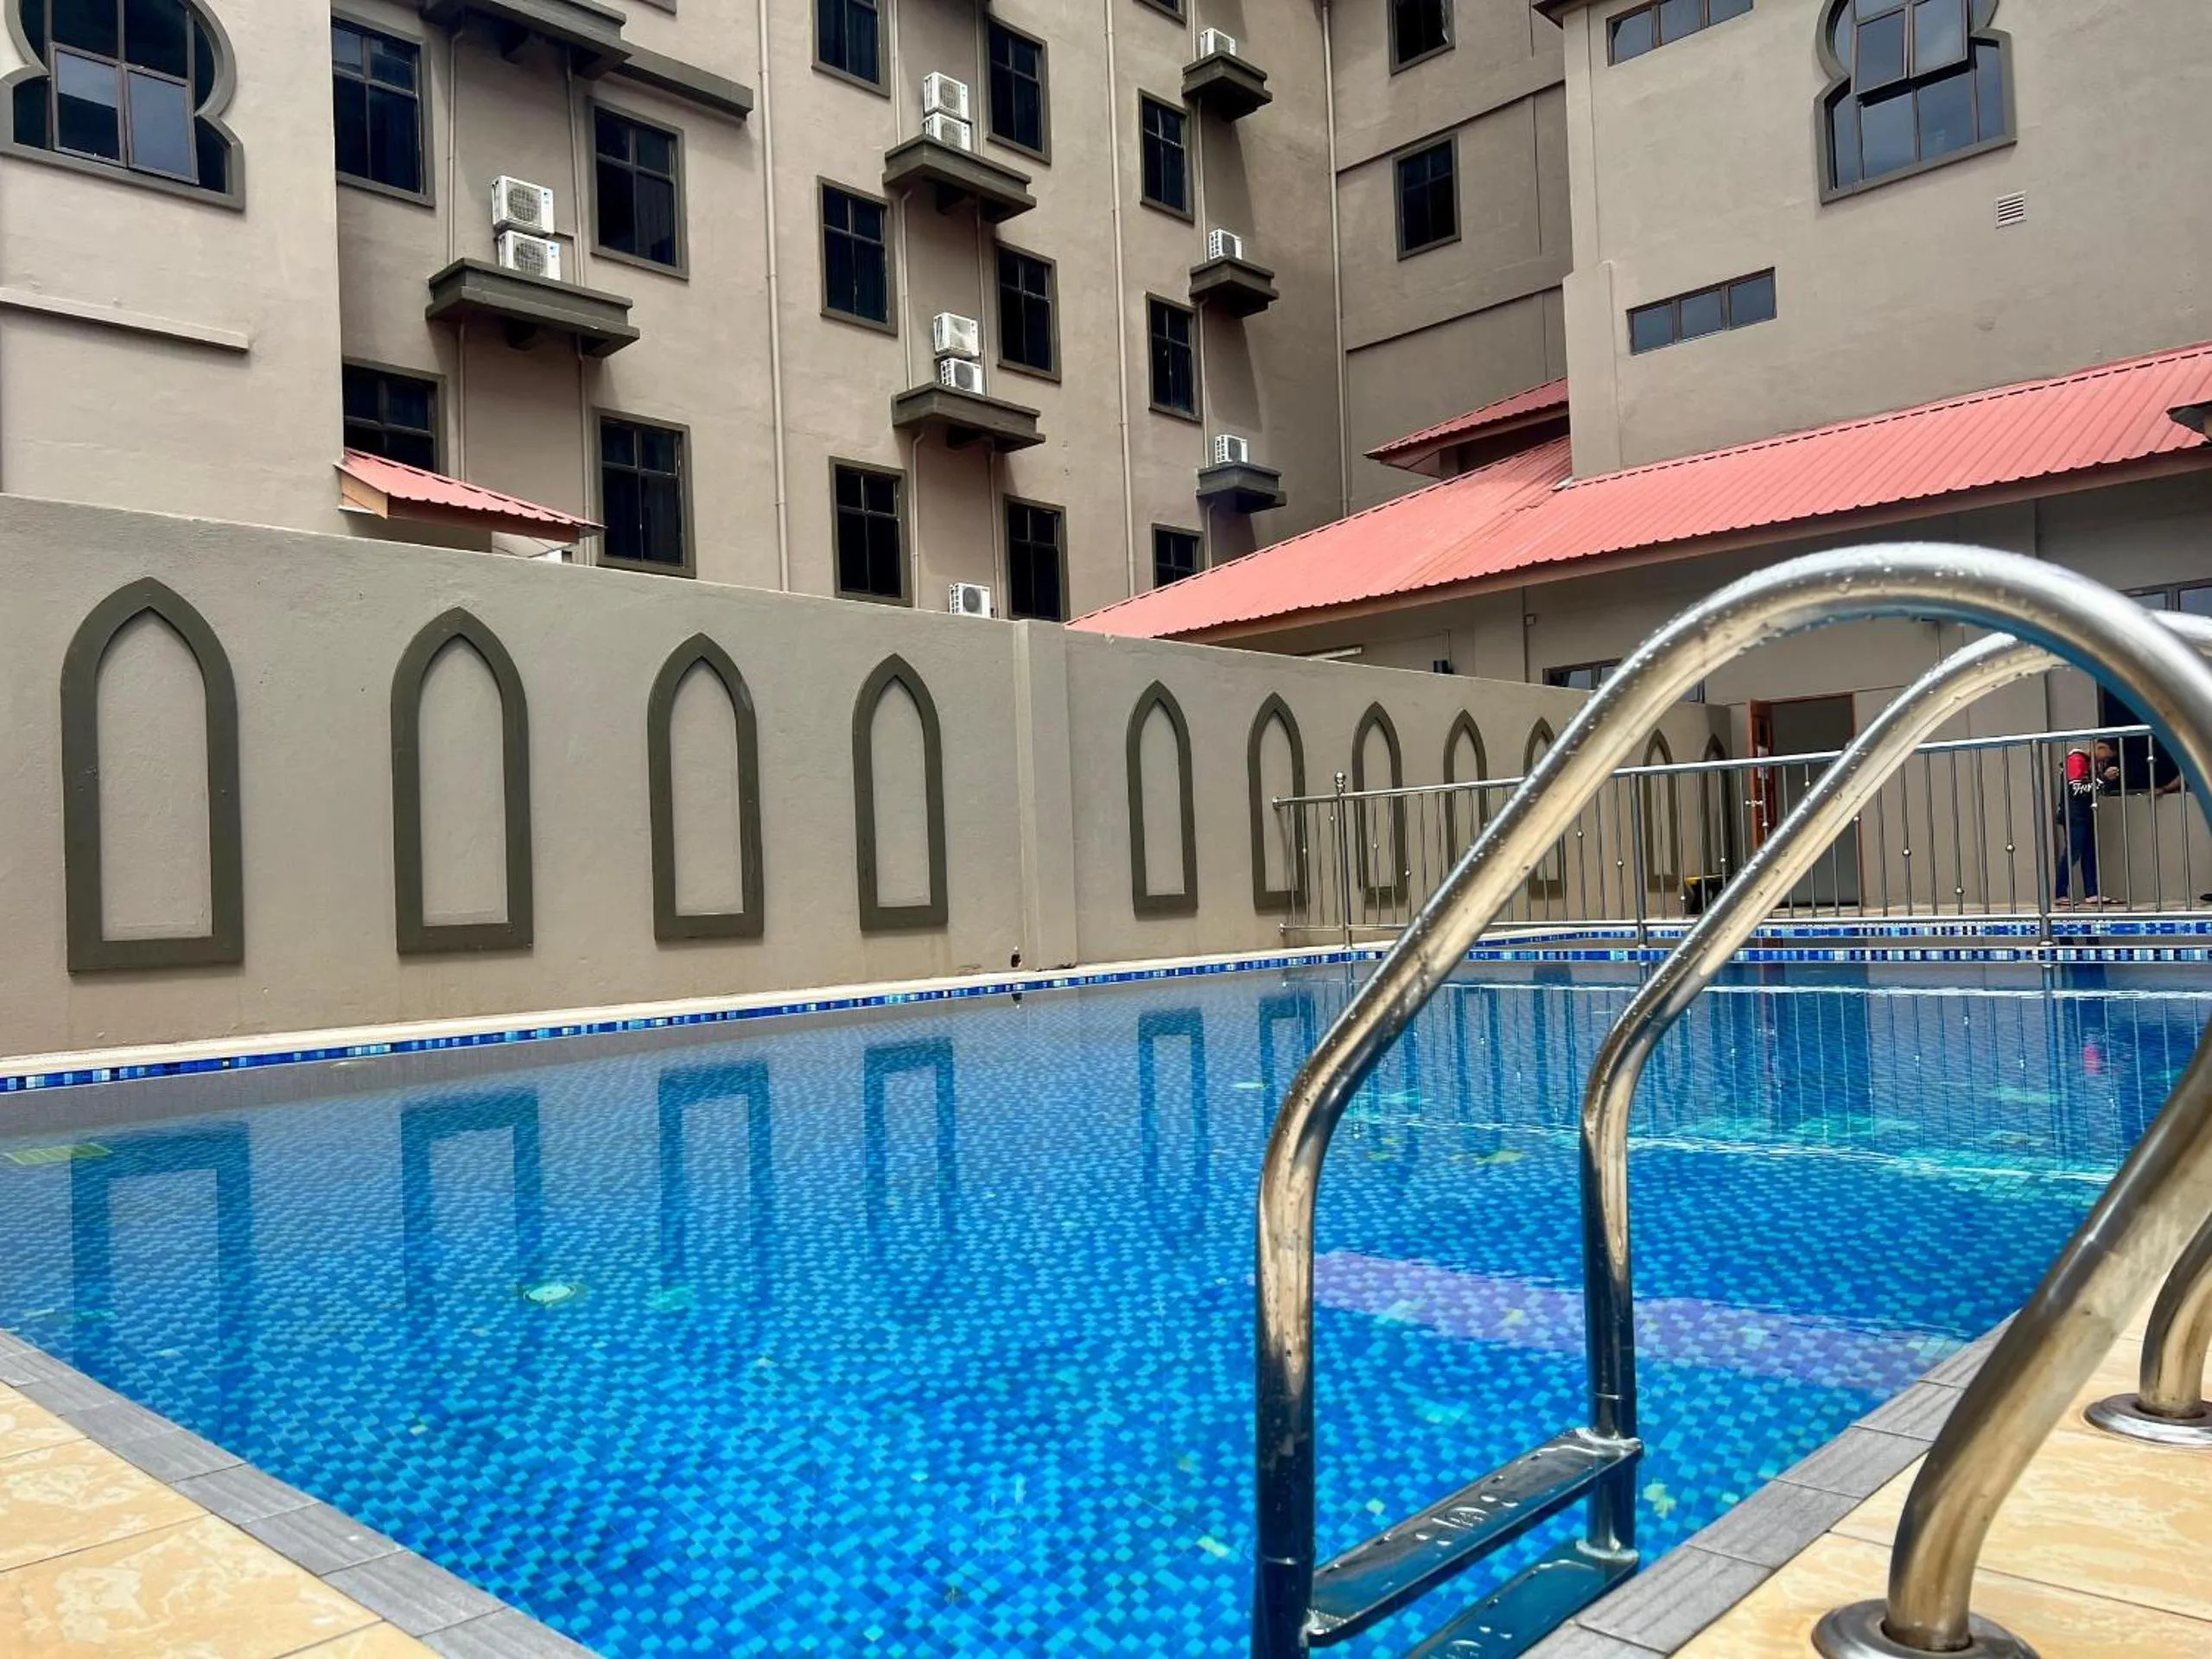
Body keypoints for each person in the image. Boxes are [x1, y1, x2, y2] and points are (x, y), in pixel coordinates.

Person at [2056, 740, 2120, 906]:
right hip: (2074, 815)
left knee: (2089, 852)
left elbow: (2094, 789)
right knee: (2073, 853)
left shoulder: (2090, 763)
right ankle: (2060, 893)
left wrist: (2104, 780)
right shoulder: (2077, 760)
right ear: (2100, 748)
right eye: (2104, 757)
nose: (2104, 762)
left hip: (2084, 813)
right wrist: (2103, 778)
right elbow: (2077, 790)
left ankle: (2092, 892)